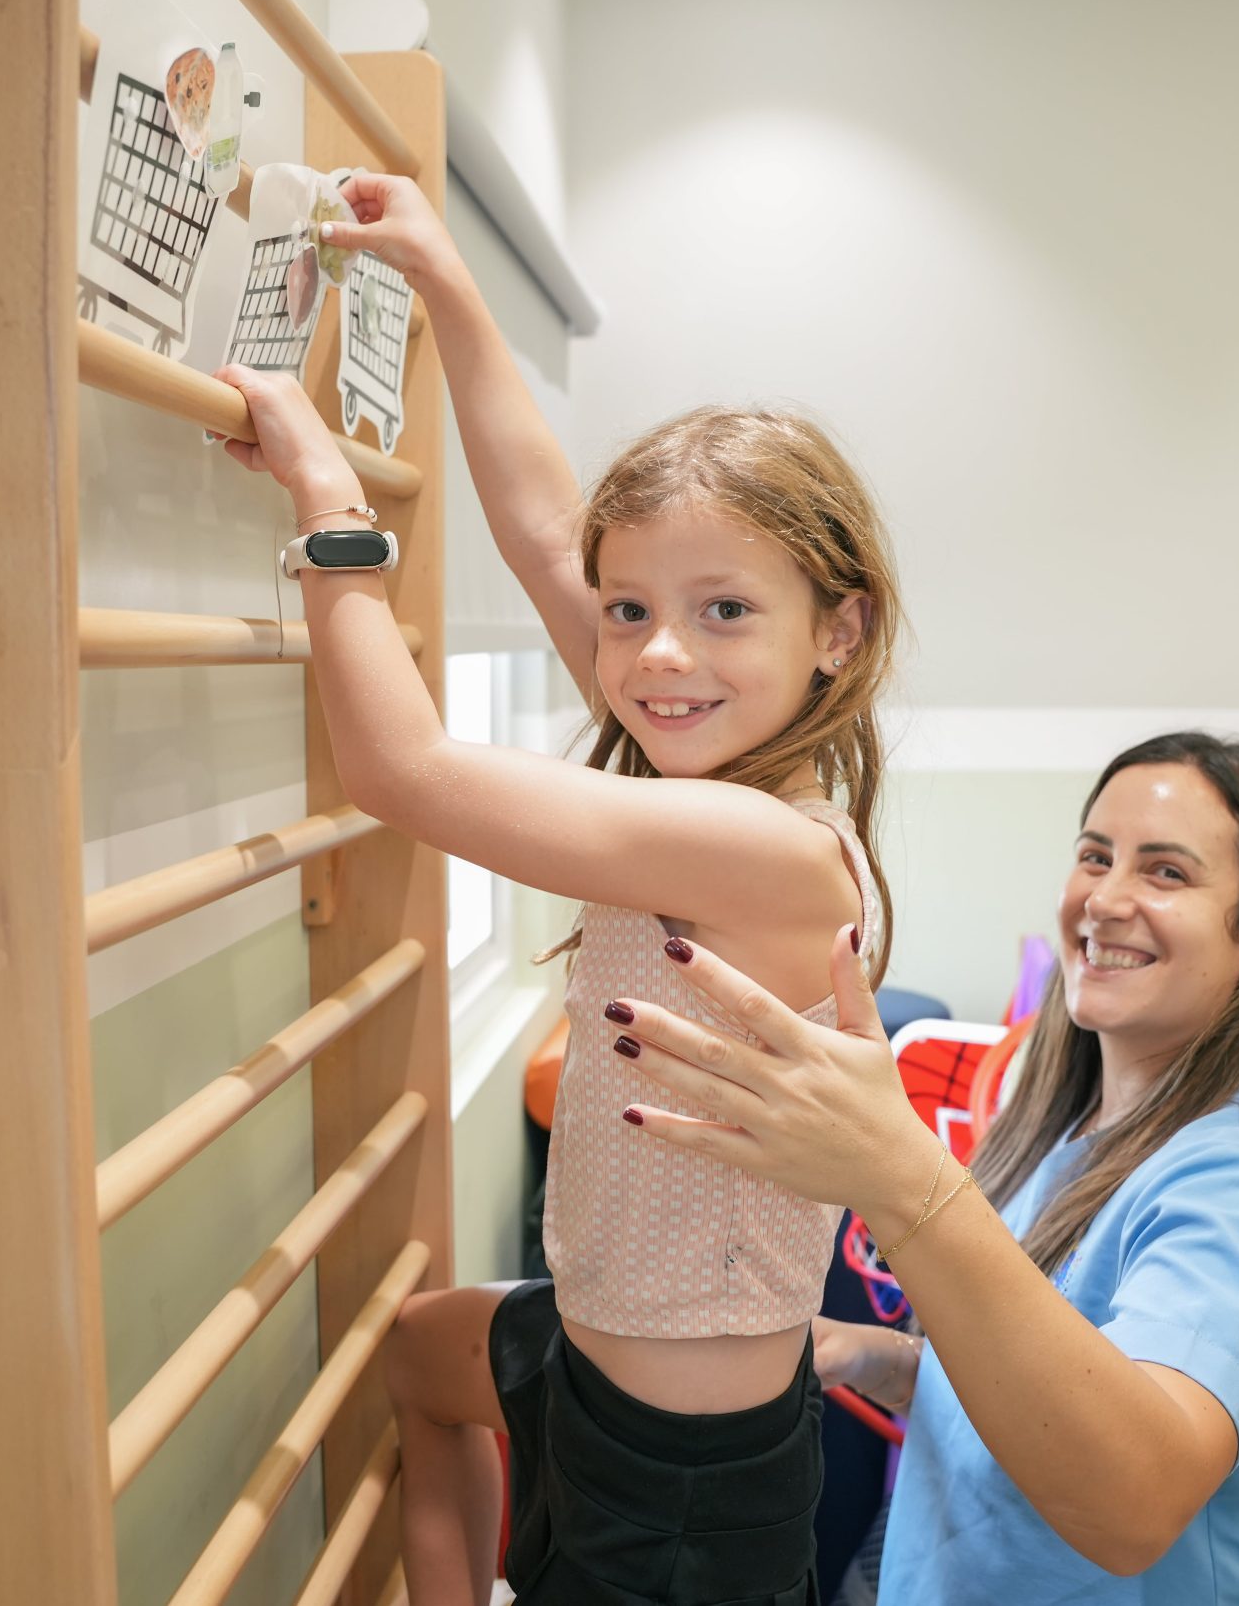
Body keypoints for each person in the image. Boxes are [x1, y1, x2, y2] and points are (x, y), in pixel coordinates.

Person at [211, 171, 906, 1606]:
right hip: (602, 1350)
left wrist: (331, 506)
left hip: (685, 1475)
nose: (657, 652)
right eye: (634, 608)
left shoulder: (766, 844)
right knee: (421, 1348)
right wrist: (446, 280)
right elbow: (543, 527)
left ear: (839, 631)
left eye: (726, 610)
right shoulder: (698, 772)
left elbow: (401, 768)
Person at [603, 732, 1239, 1604]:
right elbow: (1045, 1377)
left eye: (1166, 873)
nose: (1106, 899)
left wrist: (900, 1177)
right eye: (1095, 856)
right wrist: (885, 1361)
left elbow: (1130, 1500)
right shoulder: (1068, 1118)